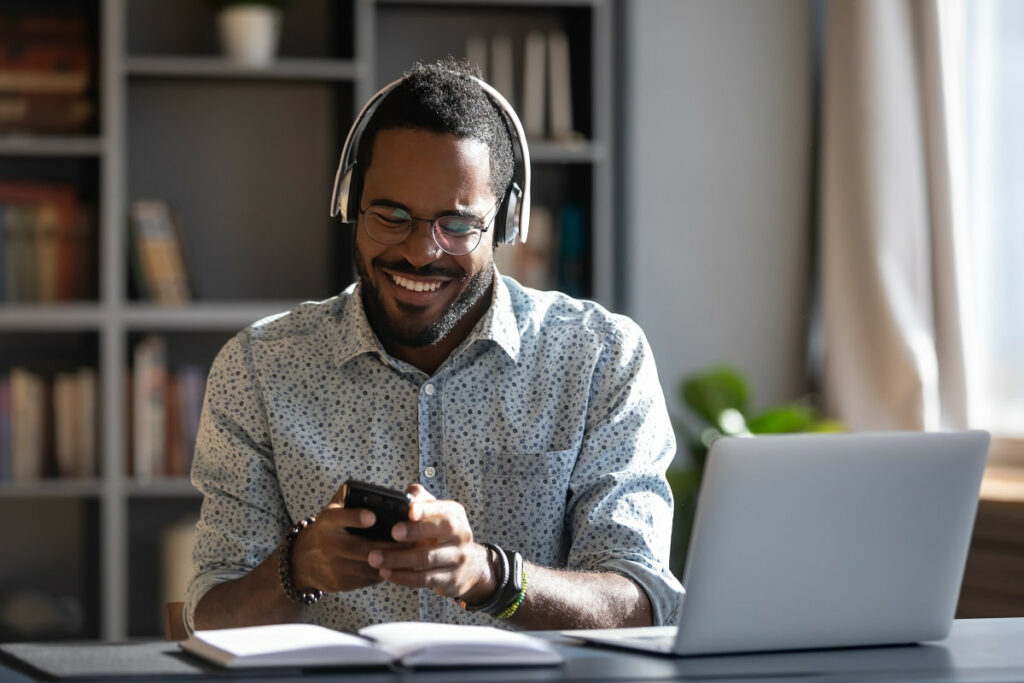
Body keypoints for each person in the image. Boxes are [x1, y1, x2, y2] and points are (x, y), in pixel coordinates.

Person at [185, 59, 683, 634]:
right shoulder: (259, 369)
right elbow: (209, 620)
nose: (422, 251)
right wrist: (298, 569)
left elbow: (642, 601)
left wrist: (490, 577)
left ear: (505, 224)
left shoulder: (599, 358)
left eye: (456, 223)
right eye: (391, 215)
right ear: (350, 204)